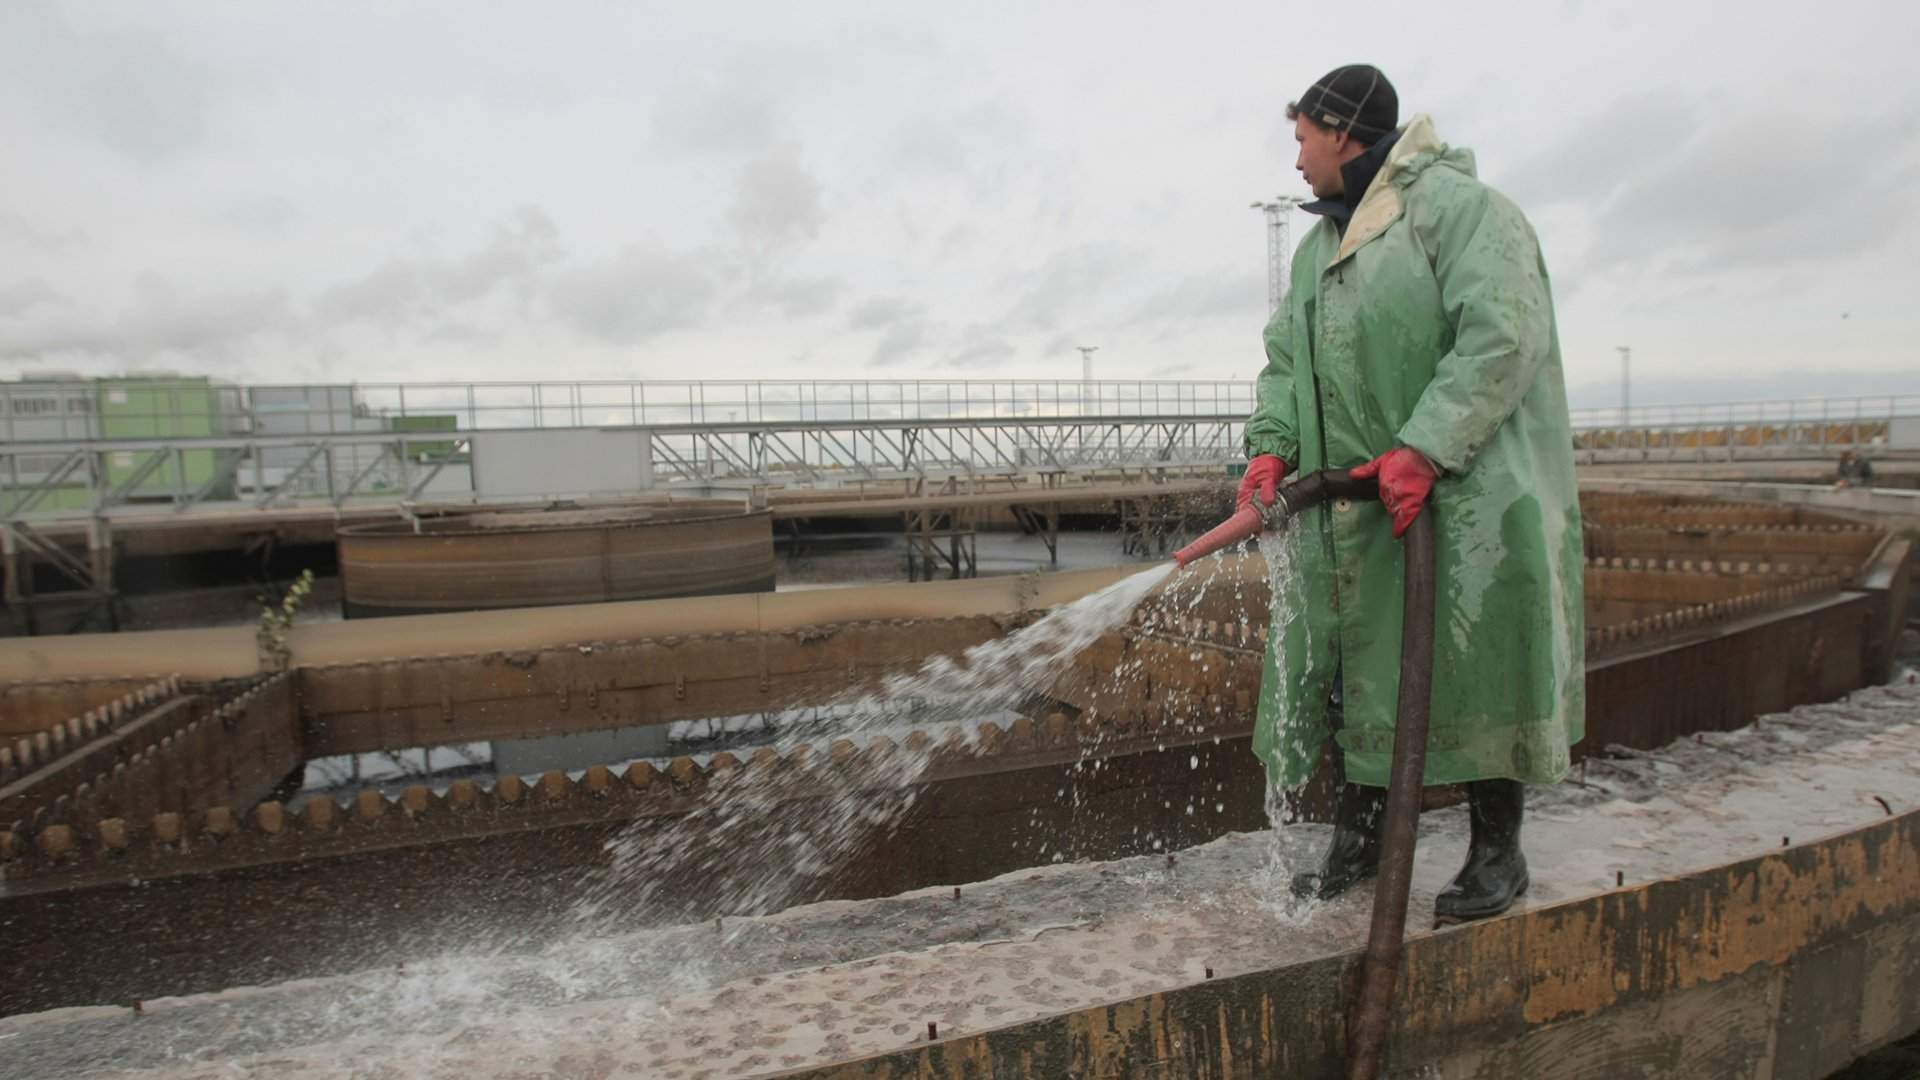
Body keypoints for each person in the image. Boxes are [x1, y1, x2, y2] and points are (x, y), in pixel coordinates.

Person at [1239, 64, 1585, 923]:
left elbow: (1503, 332)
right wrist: (1271, 449)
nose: (1296, 162)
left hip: (1463, 501)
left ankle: (1497, 854)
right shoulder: (1321, 249)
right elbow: (1288, 361)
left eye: (1301, 140)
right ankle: (1358, 838)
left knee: (1476, 659)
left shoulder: (1463, 213)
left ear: (1342, 130)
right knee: (1355, 668)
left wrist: (1425, 446)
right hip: (1349, 511)